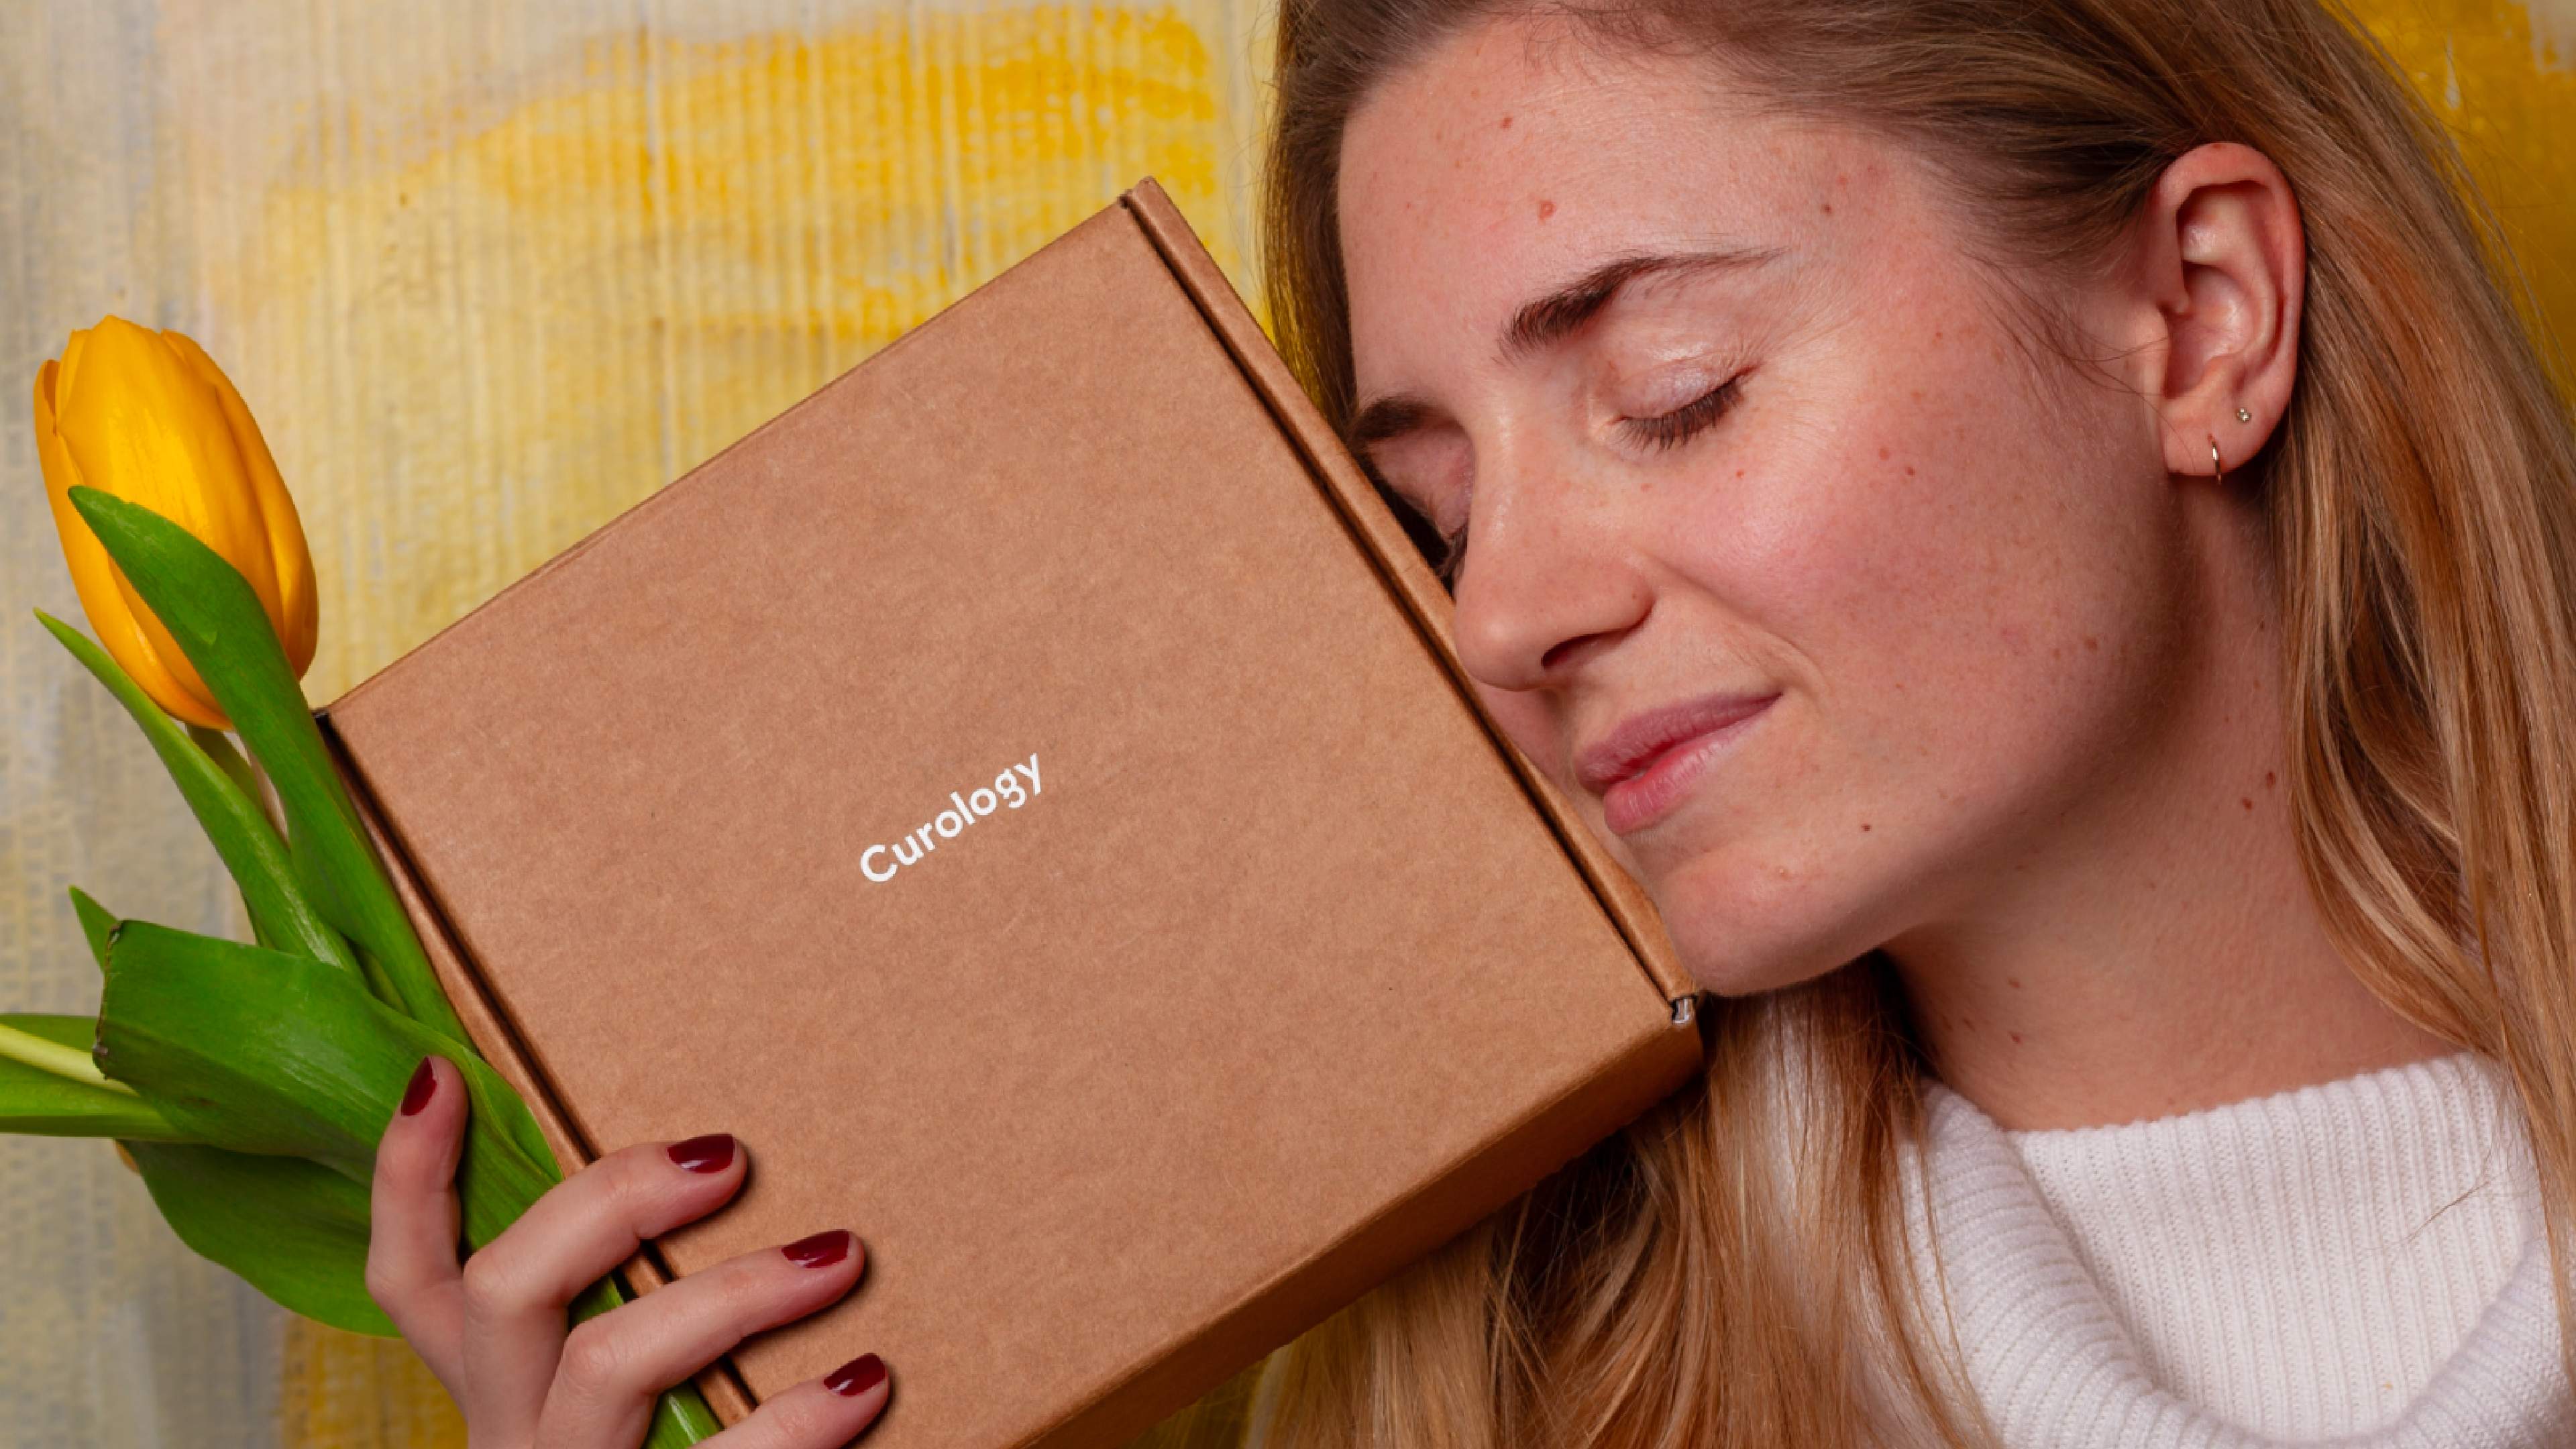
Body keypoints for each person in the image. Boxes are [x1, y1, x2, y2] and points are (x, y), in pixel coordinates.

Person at [364, 0, 2576, 1444]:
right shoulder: (1505, 1389)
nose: (1500, 614)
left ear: (2198, 312)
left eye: (1669, 392)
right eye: (1427, 519)